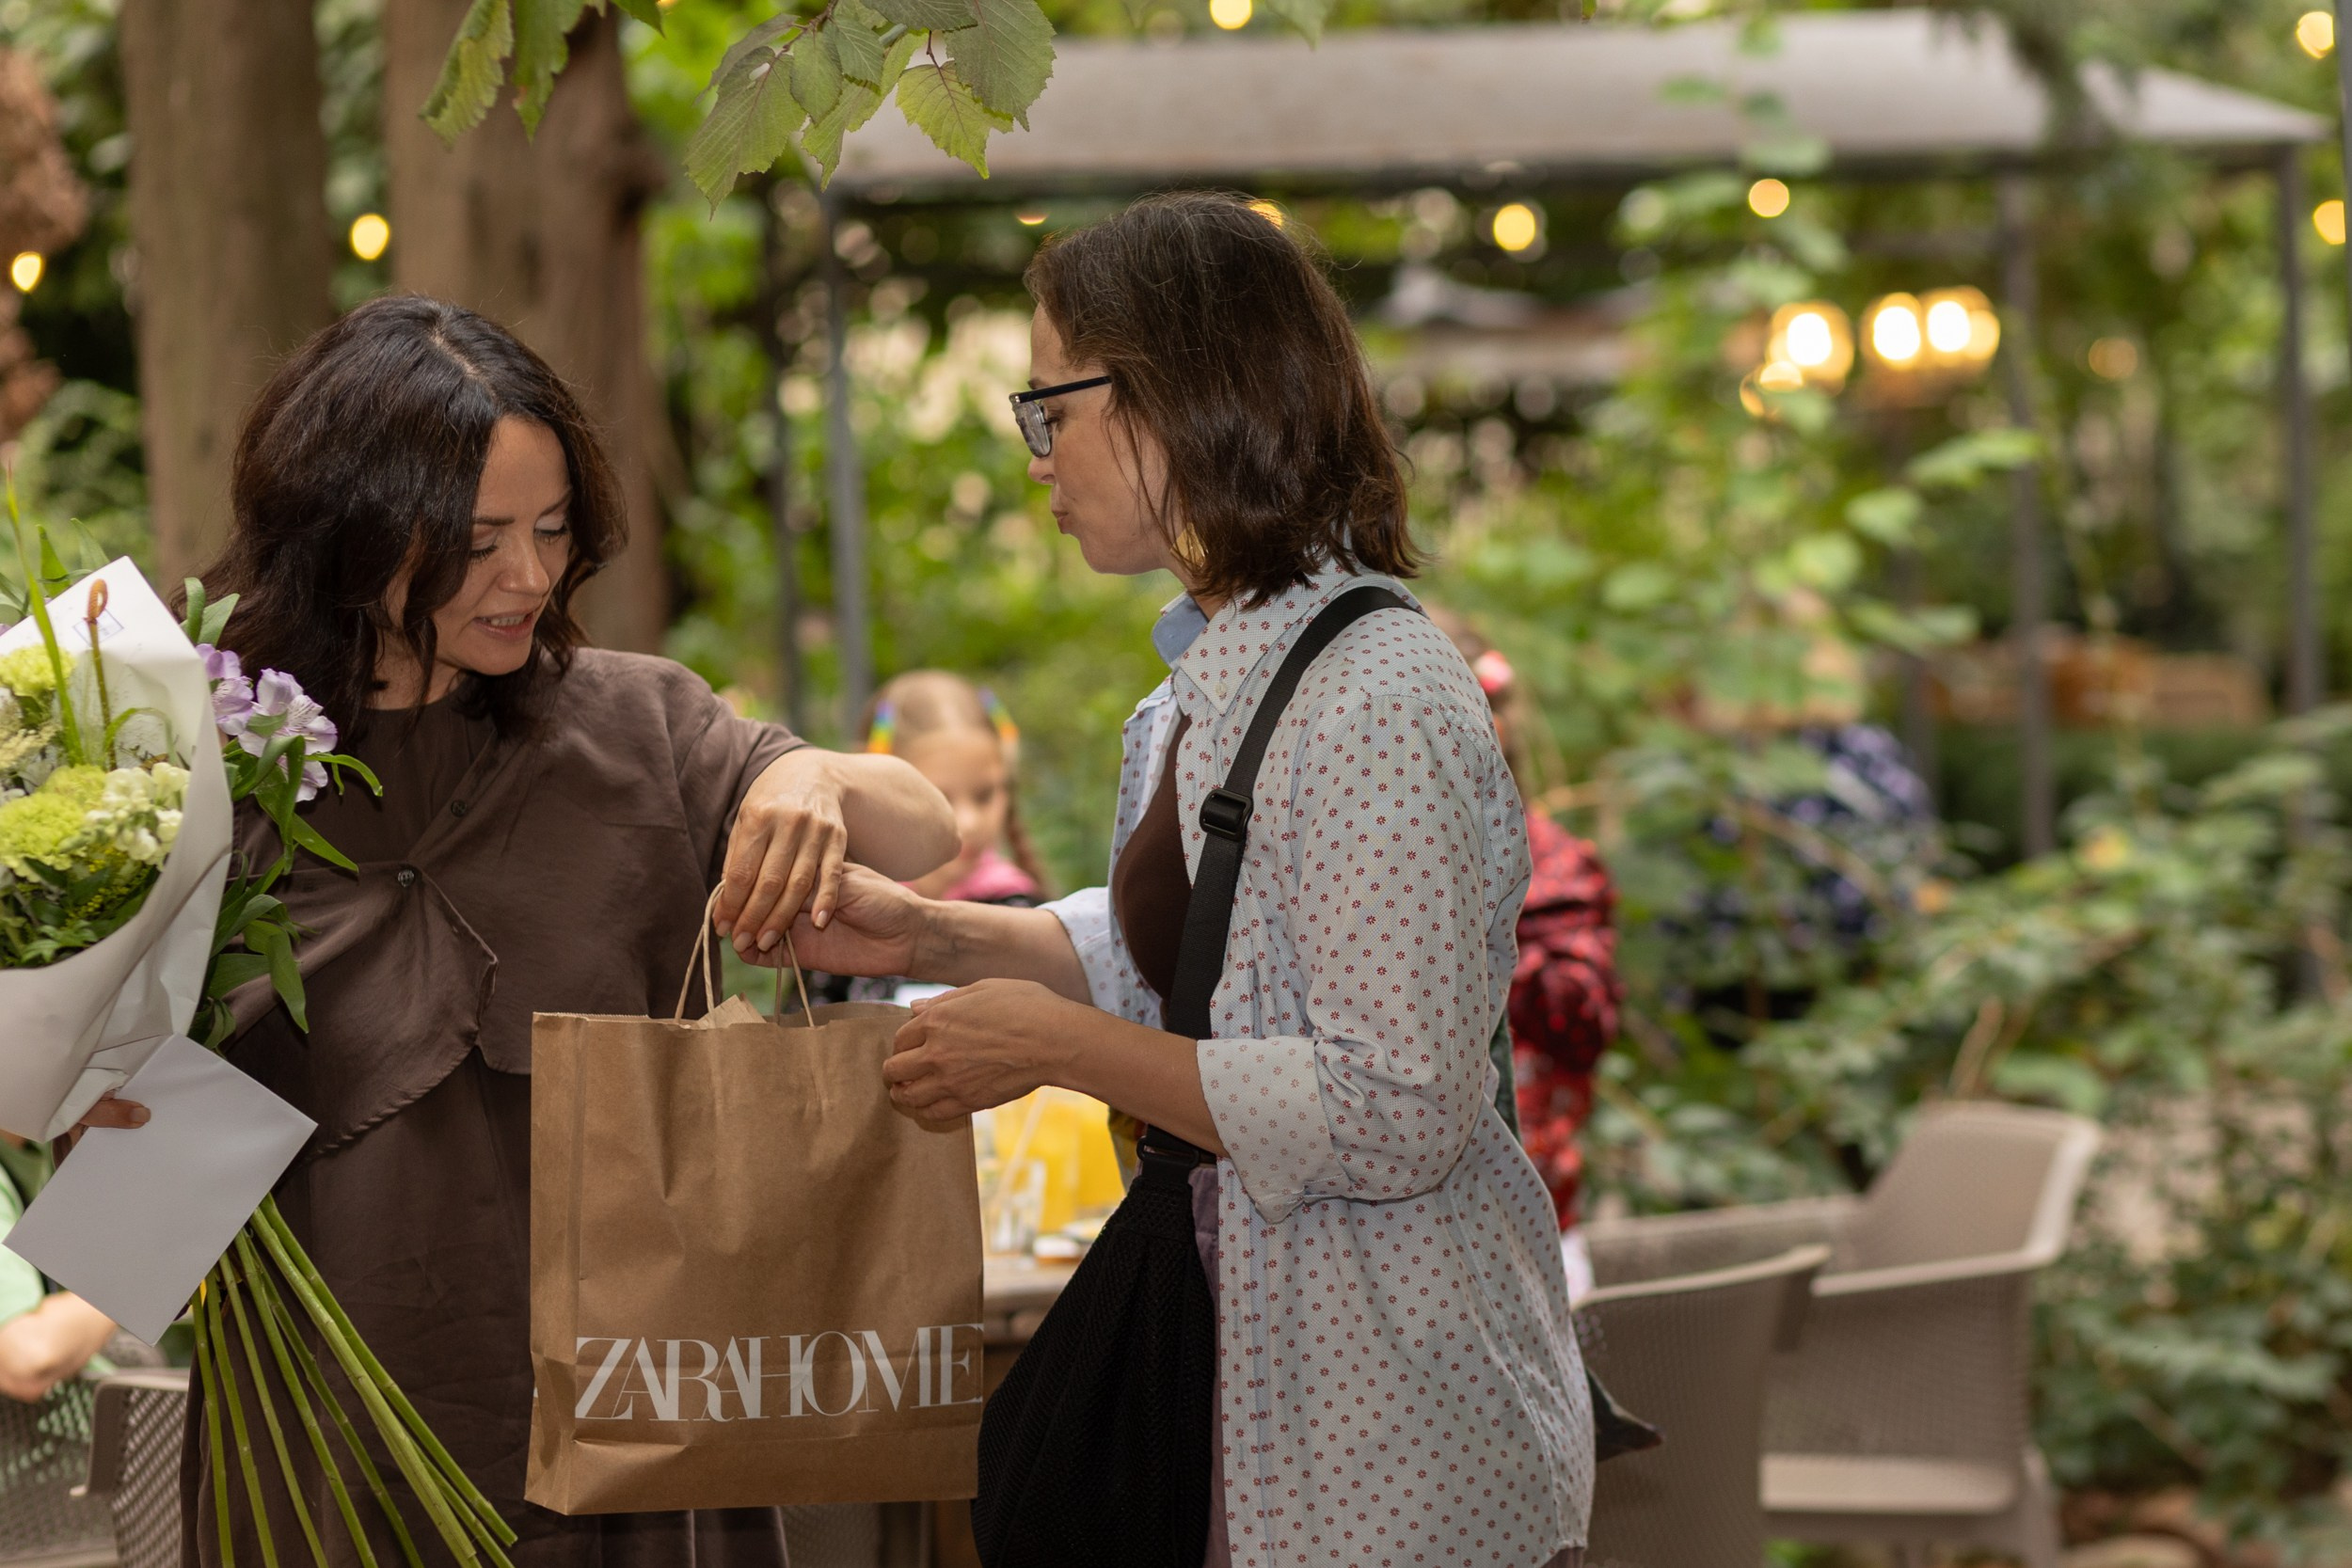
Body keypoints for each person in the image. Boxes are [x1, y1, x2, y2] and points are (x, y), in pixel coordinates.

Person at [782, 193, 1593, 1568]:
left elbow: (1398, 1101)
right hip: (1252, 1379)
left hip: (1381, 1431)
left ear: (1175, 393)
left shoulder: (1375, 689)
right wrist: (933, 929)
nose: (1038, 452)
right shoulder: (1219, 669)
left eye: (1055, 404)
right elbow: (1203, 957)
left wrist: (1061, 1048)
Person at [87, 295, 957, 1568]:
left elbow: (925, 827)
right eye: (476, 537)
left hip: (640, 1449)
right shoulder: (202, 767)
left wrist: (808, 781)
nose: (530, 576)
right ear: (343, 529)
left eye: (551, 530)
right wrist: (77, 1114)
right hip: (330, 1454)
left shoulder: (631, 727)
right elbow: (133, 1224)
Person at [1430, 610, 1621, 1302]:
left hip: (1530, 1222)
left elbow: (1585, 1021)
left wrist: (1478, 928)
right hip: (1394, 1238)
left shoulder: (1555, 863)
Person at [815, 671, 1049, 1006]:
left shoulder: (1022, 915)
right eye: (939, 798)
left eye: (984, 795)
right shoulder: (842, 909)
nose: (968, 822)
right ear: (876, 794)